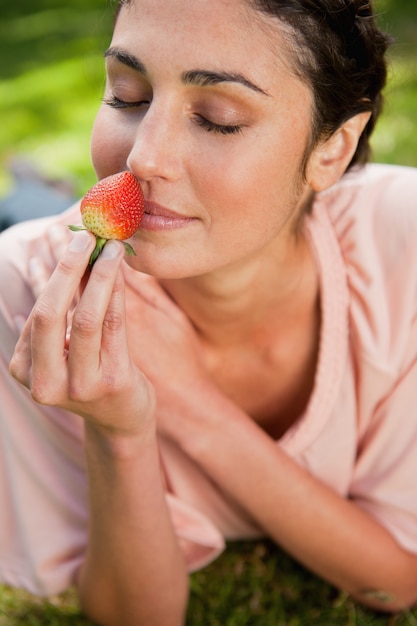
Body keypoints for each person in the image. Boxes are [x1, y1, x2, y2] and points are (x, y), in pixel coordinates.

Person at [1, 0, 417, 624]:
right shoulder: (23, 297)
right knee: (25, 210)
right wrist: (120, 429)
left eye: (218, 120)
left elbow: (394, 584)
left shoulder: (402, 248)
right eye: (127, 95)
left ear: (333, 150)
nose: (143, 157)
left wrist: (190, 402)